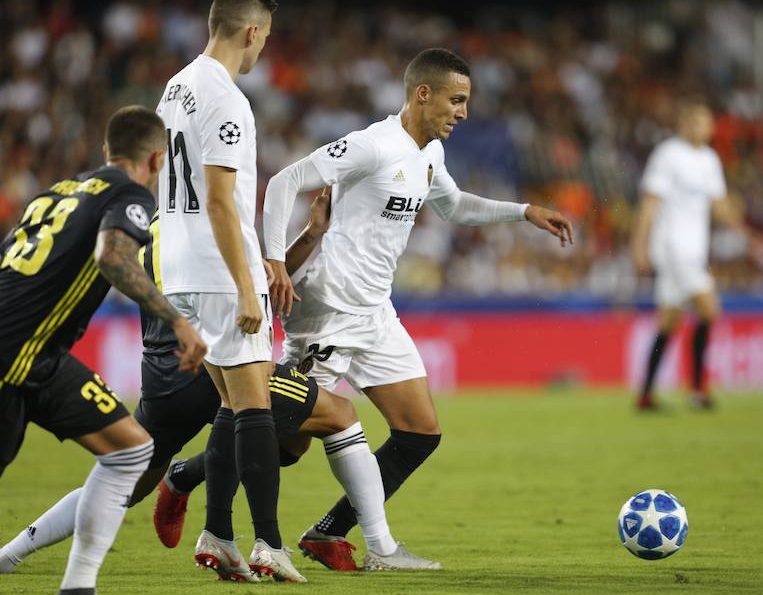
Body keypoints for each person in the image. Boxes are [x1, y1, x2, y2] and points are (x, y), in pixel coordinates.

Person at [0, 191, 437, 580]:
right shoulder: (212, 220)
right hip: (217, 367)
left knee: (125, 484)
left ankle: (13, 552)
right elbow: (255, 289)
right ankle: (378, 546)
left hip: (162, 379)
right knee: (338, 416)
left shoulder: (145, 226)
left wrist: (308, 236)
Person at [262, 48, 574, 571]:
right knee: (283, 440)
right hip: (332, 308)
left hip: (375, 312)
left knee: (419, 432)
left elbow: (453, 206)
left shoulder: (429, 154)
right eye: (457, 100)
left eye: (467, 102)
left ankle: (328, 533)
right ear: (422, 93)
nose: (464, 113)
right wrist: (274, 259)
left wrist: (523, 212)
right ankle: (187, 478)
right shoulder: (373, 145)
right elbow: (284, 181)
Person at [0, 105, 207, 595]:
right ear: (158, 160)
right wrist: (178, 321)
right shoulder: (129, 193)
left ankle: (79, 586)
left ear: (105, 151)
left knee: (133, 450)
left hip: (40, 357)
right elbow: (113, 256)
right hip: (16, 354)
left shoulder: (58, 192)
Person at [155, 0, 302, 582]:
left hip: (180, 264)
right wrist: (246, 285)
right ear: (250, 31)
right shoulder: (228, 102)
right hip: (219, 271)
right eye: (264, 37)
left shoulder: (176, 86)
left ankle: (218, 534)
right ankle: (270, 543)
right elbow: (219, 199)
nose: (263, 48)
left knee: (229, 406)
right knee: (255, 408)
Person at [630, 98, 758, 411]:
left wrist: (749, 235)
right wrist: (639, 246)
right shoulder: (668, 155)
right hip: (673, 248)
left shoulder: (710, 160)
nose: (705, 127)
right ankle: (698, 391)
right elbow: (649, 204)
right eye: (698, 121)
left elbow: (719, 206)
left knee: (669, 322)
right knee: (710, 309)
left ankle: (645, 396)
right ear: (683, 125)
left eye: (707, 122)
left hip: (694, 251)